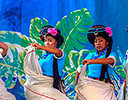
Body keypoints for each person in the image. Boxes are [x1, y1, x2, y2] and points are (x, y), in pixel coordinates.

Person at [24, 25, 69, 100]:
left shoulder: (59, 53)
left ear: (57, 42)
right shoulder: (43, 56)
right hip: (40, 85)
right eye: (45, 40)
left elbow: (56, 51)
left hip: (52, 85)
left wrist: (40, 47)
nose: (47, 43)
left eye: (50, 40)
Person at [75, 25, 117, 100]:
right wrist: (76, 86)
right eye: (95, 41)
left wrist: (92, 61)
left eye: (101, 40)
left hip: (103, 87)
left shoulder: (111, 54)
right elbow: (79, 70)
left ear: (107, 42)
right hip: (89, 85)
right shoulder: (91, 55)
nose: (98, 43)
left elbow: (109, 61)